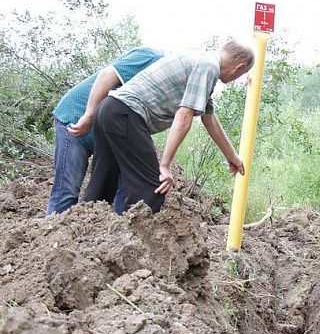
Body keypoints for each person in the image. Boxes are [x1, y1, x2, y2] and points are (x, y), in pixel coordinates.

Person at [82, 40, 254, 213]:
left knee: (101, 186)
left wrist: (232, 156)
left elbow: (209, 118)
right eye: (242, 74)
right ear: (239, 67)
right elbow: (184, 115)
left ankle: (84, 230)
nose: (235, 79)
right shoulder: (208, 67)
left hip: (108, 110)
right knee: (153, 189)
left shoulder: (199, 58)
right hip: (126, 114)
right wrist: (164, 165)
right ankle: (133, 238)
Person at [47, 47, 164, 216]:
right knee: (67, 189)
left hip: (110, 134)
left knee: (126, 184)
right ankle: (52, 238)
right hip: (75, 118)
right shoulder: (150, 58)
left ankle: (118, 234)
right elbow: (108, 74)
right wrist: (89, 115)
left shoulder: (165, 90)